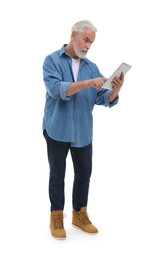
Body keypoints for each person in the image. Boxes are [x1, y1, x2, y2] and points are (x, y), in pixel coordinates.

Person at [42, 20, 124, 239]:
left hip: (83, 132)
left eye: (91, 42)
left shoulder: (91, 66)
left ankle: (80, 214)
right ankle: (56, 216)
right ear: (73, 36)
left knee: (84, 174)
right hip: (57, 129)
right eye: (86, 40)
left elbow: (102, 98)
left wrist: (114, 91)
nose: (88, 46)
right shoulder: (52, 61)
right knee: (57, 175)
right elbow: (56, 90)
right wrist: (88, 83)